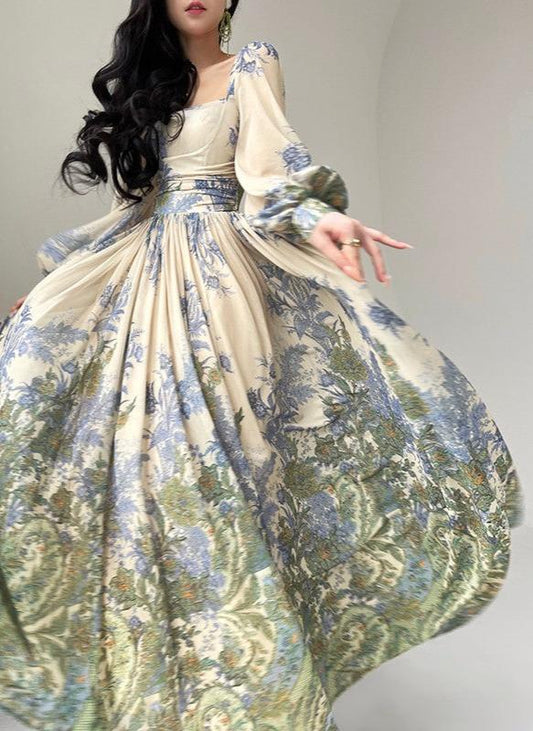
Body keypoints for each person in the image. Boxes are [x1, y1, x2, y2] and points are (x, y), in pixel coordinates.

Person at [0, 1, 524, 730]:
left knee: (233, 470)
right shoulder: (153, 89)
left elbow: (273, 171)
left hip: (223, 285)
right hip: (147, 279)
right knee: (152, 478)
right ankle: (176, 695)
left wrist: (321, 216)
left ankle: (265, 694)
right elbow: (143, 205)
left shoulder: (252, 63)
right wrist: (63, 283)